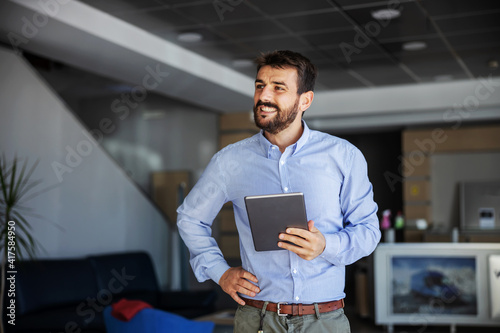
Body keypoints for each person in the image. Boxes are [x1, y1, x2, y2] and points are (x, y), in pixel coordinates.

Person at [177, 50, 381, 332]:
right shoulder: (230, 161)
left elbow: (369, 231)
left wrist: (325, 246)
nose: (264, 96)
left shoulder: (343, 156)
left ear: (305, 100)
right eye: (260, 85)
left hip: (325, 321)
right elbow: (190, 218)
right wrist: (220, 272)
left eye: (278, 88)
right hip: (257, 318)